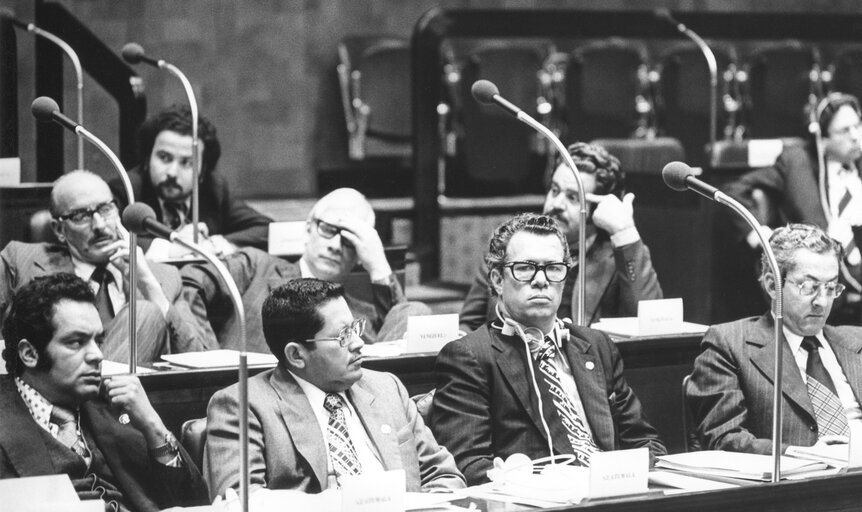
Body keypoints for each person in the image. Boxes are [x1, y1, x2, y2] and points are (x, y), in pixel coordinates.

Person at [430, 213, 666, 485]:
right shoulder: (469, 356)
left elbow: (646, 441)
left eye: (553, 268)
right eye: (525, 268)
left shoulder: (596, 346)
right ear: (496, 280)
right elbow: (468, 464)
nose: (541, 280)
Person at [204, 278, 465, 498]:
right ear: (296, 355)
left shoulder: (386, 388)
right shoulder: (242, 406)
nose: (359, 343)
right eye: (343, 336)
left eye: (355, 328)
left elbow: (444, 476)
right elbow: (241, 501)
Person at [0, 273, 207, 511]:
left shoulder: (117, 404)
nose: (97, 355)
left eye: (98, 341)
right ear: (29, 354)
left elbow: (194, 501)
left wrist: (153, 426)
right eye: (76, 342)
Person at [0, 170, 217, 364]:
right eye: (81, 216)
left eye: (105, 209)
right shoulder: (20, 260)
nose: (100, 226)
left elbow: (201, 362)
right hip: (51, 398)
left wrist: (150, 288)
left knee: (145, 311)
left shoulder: (164, 277)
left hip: (137, 400)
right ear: (59, 229)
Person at [687, 223, 862, 454]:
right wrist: (801, 455)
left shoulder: (857, 340)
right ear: (772, 285)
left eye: (830, 287)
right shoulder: (729, 344)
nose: (822, 301)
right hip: (800, 483)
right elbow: (723, 438)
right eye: (809, 287)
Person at [183, 187, 428, 352]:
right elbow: (190, 283)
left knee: (417, 312)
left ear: (361, 255)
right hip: (252, 403)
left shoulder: (364, 318)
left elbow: (401, 337)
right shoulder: (255, 267)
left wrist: (379, 266)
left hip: (328, 418)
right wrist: (209, 361)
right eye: (328, 230)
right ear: (308, 229)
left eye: (349, 240)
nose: (335, 246)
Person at [458, 142, 663, 331]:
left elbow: (653, 326)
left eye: (573, 198)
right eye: (554, 190)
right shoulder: (508, 246)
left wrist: (624, 232)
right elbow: (469, 327)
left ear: (598, 207)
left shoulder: (619, 257)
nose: (556, 204)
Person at [722, 92, 862, 323]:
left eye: (858, 126)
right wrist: (757, 232)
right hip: (824, 285)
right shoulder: (797, 163)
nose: (856, 137)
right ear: (822, 138)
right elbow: (734, 190)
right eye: (844, 131)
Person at [111, 104, 272, 254]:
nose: (172, 172)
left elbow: (267, 229)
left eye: (187, 163)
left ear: (203, 171)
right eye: (164, 157)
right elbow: (107, 240)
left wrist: (216, 244)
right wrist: (173, 249)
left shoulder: (214, 188)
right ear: (147, 158)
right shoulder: (125, 189)